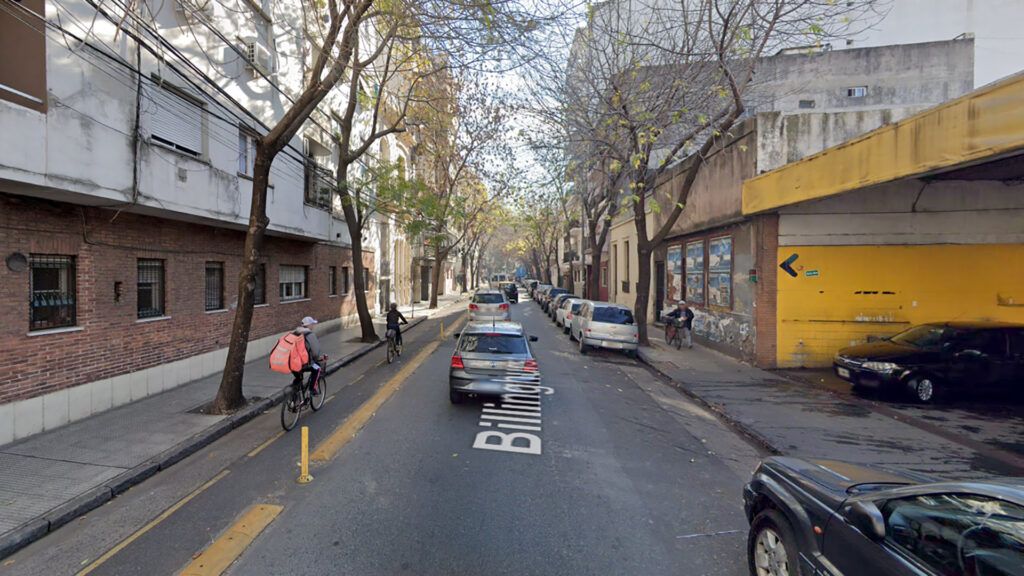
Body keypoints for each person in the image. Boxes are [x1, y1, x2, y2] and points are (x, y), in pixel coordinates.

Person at [293, 316, 323, 393]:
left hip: (293, 363)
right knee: (317, 369)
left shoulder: (295, 333)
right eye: (312, 324)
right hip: (305, 363)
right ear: (309, 325)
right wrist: (317, 359)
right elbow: (315, 352)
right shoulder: (310, 335)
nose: (313, 326)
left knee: (298, 377)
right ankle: (312, 389)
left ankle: (294, 394)